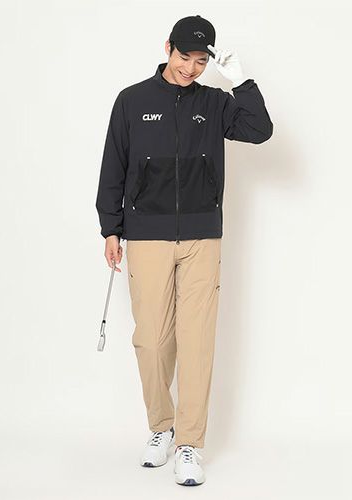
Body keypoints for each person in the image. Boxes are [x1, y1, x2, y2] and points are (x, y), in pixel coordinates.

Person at [95, 14, 273, 486]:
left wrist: (241, 81)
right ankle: (162, 427)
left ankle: (190, 442)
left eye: (200, 61)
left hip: (201, 236)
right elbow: (114, 164)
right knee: (152, 341)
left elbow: (260, 130)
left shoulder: (215, 104)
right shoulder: (132, 101)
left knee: (196, 342)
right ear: (167, 48)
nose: (190, 69)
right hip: (146, 235)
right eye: (183, 57)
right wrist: (111, 228)